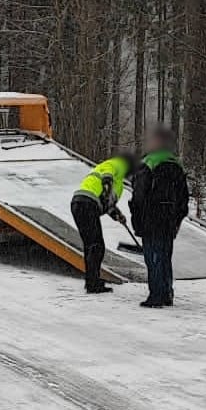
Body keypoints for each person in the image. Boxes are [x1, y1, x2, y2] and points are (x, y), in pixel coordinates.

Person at [130, 127, 189, 308]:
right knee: (164, 255)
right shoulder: (176, 164)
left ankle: (156, 295)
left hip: (151, 215)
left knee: (153, 256)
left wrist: (136, 216)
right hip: (169, 217)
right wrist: (178, 218)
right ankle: (166, 292)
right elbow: (184, 196)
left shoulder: (148, 163)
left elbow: (139, 193)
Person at [71, 152, 136, 294]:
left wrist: (117, 214)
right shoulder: (118, 164)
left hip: (79, 203)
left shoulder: (117, 180)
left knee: (91, 245)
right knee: (96, 246)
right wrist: (107, 182)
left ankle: (91, 281)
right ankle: (93, 283)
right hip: (87, 204)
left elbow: (107, 201)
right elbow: (108, 173)